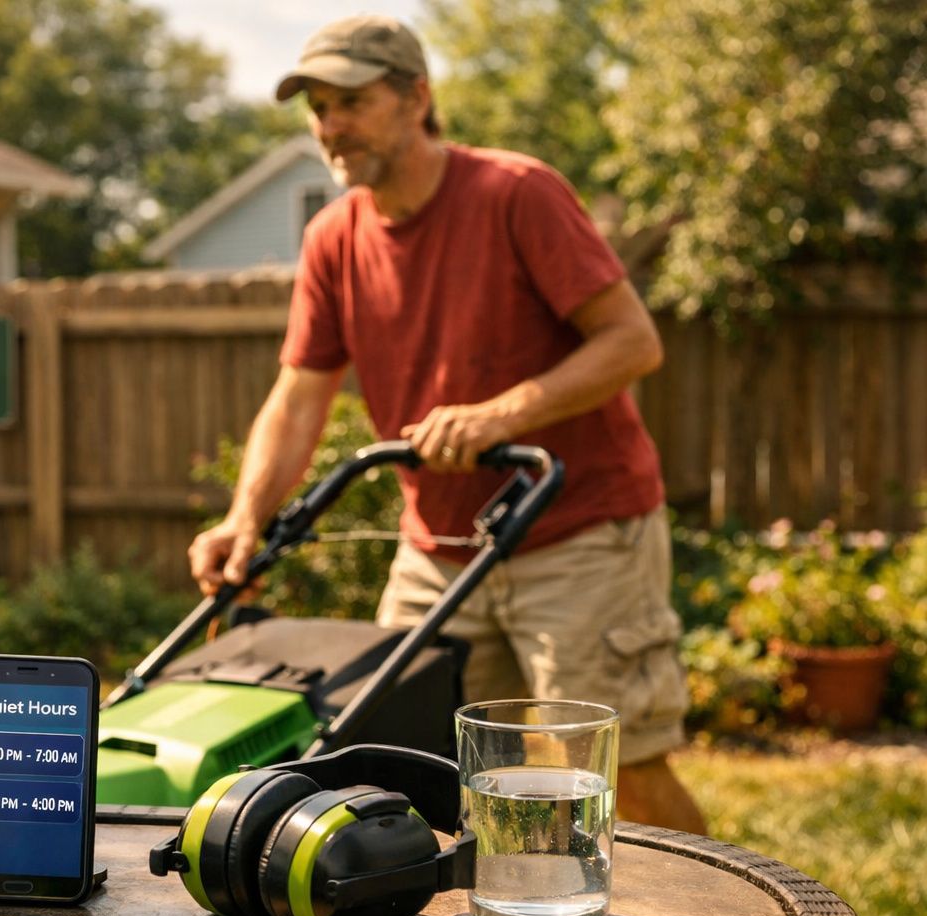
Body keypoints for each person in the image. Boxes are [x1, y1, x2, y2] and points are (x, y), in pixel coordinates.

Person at [187, 15, 706, 833]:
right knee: (409, 763)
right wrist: (244, 519)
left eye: (351, 101)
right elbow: (297, 398)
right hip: (435, 552)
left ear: (416, 97)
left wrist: (502, 414)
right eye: (318, 107)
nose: (330, 127)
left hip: (578, 533)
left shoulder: (515, 193)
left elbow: (632, 343)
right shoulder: (334, 239)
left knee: (607, 770)